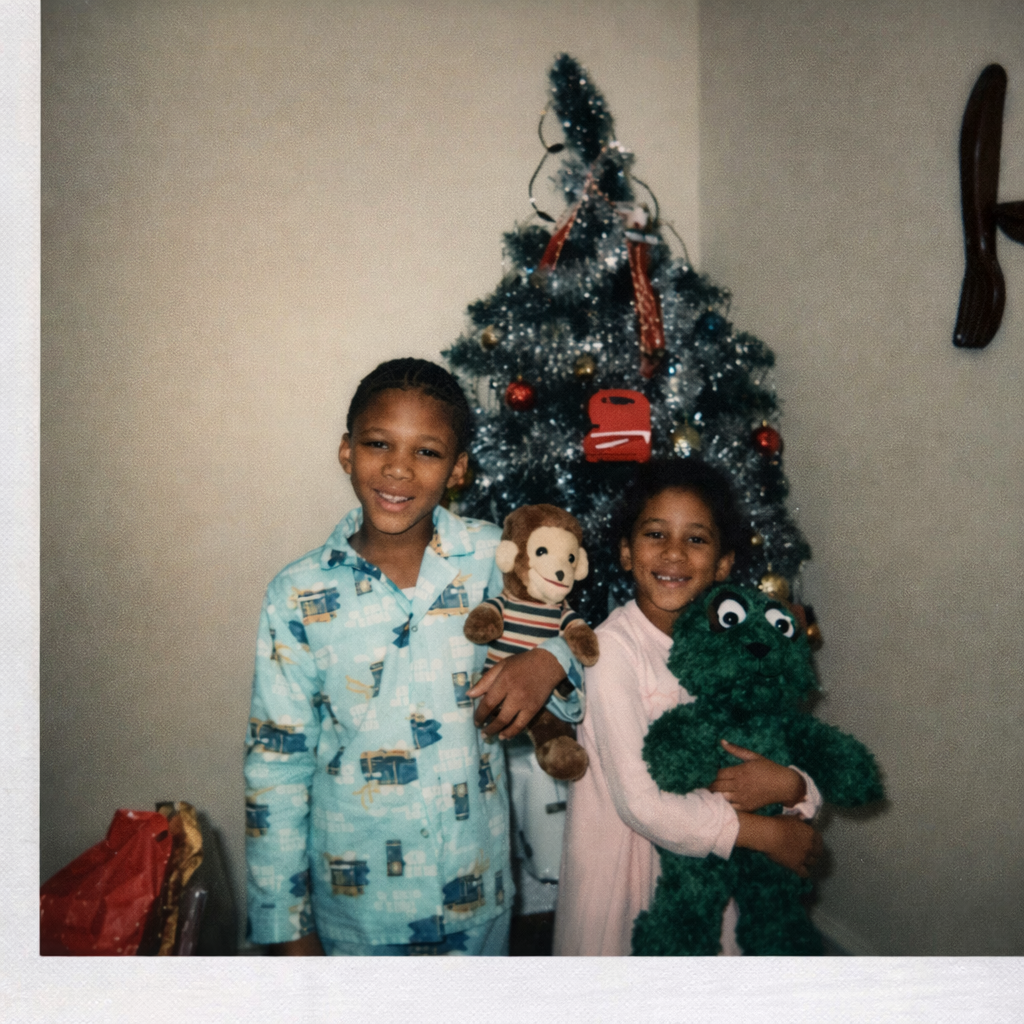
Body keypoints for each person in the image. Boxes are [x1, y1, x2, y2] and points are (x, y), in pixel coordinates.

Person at [245, 358, 583, 956]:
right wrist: (287, 928)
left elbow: (575, 635)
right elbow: (277, 766)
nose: (398, 468)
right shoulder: (296, 594)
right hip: (357, 917)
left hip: (478, 897)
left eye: (426, 452)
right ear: (347, 451)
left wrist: (550, 661)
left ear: (458, 469)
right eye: (378, 444)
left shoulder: (493, 556)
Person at [552, 458, 823, 956]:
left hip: (714, 872)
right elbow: (641, 804)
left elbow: (780, 741)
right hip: (628, 876)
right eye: (656, 534)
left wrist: (795, 787)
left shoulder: (738, 648)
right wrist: (765, 833)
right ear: (627, 552)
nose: (674, 552)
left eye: (696, 539)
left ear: (722, 564)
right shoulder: (612, 650)